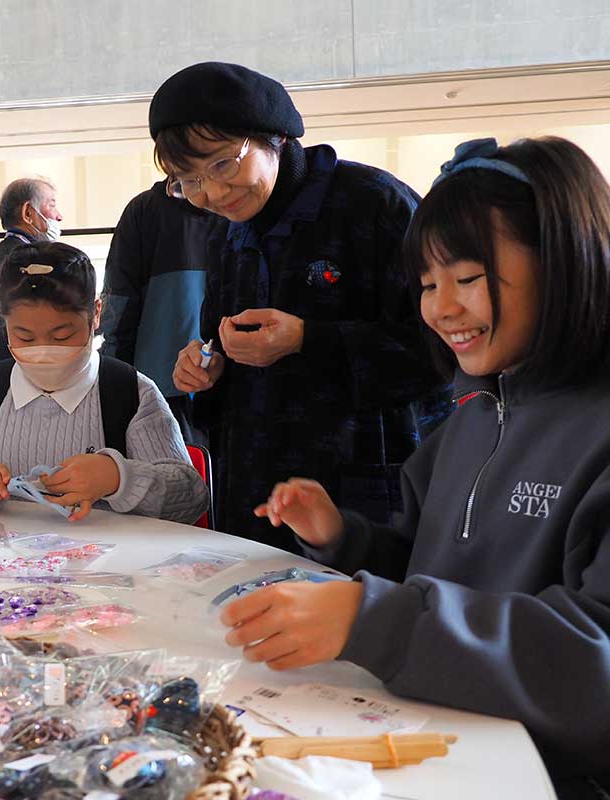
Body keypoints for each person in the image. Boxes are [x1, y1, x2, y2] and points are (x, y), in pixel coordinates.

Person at [226, 137, 610, 799]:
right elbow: (423, 568)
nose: (439, 308)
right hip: (438, 746)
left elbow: (595, 664)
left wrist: (373, 620)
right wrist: (343, 540)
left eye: (466, 279)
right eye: (428, 285)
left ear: (567, 258)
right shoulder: (468, 418)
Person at [159, 62, 447, 551]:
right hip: (254, 494)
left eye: (224, 165)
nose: (212, 193)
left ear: (274, 137)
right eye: (187, 181)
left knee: (362, 621)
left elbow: (443, 351)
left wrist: (308, 340)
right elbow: (219, 347)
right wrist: (205, 370)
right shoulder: (228, 234)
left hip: (363, 497)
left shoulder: (375, 204)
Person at [0, 241, 207, 525]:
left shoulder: (130, 392)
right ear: (2, 324)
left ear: (95, 314)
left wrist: (118, 478)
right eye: (24, 337)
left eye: (63, 336)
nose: (44, 350)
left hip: (108, 573)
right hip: (2, 571)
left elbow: (191, 495)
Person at [98, 179, 221, 442]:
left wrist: (113, 384)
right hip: (224, 386)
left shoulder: (143, 211)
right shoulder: (238, 206)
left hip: (159, 390)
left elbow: (117, 311)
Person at [0, 178, 63, 365]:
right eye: (52, 205)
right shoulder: (26, 261)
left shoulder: (3, 256)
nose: (59, 216)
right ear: (28, 213)